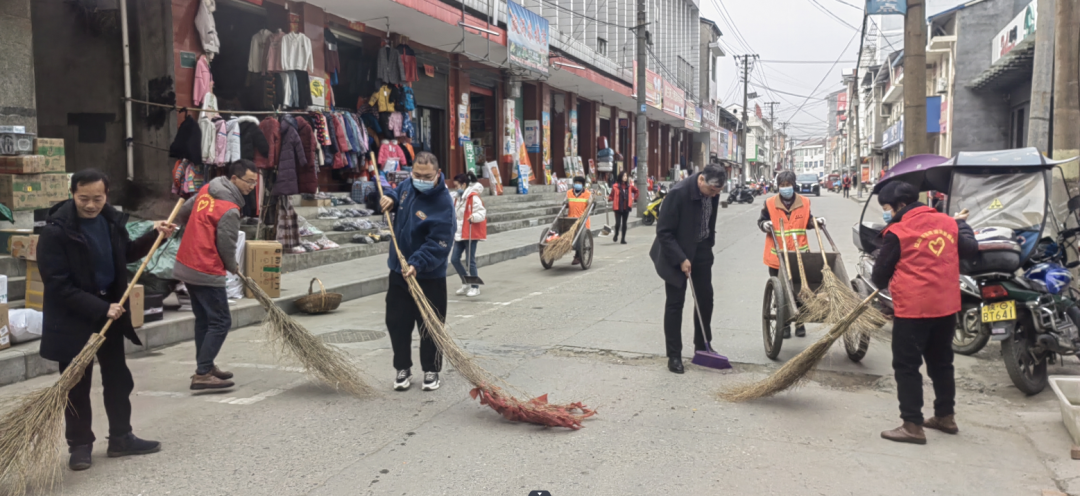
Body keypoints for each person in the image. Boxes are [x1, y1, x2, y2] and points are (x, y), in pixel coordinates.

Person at [38, 169, 177, 471]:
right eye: (83, 198)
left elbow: (124, 253)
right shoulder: (56, 231)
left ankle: (121, 437)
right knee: (76, 386)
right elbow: (57, 284)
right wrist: (101, 308)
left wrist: (156, 234)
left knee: (117, 378)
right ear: (72, 193)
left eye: (97, 198)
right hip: (75, 317)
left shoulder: (110, 221)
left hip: (110, 313)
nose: (90, 205)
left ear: (107, 195)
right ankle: (80, 446)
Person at [871, 181, 977, 445]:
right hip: (946, 307)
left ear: (901, 206)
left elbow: (879, 275)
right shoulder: (948, 224)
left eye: (887, 208)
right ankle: (945, 416)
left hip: (913, 309)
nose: (887, 213)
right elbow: (970, 250)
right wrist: (962, 224)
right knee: (941, 362)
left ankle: (912, 425)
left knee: (907, 366)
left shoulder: (898, 230)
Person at [175, 160, 258, 390]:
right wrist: (233, 266)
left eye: (255, 182)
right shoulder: (229, 209)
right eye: (249, 181)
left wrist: (189, 229)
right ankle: (202, 373)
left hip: (187, 262)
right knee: (221, 321)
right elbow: (226, 244)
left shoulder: (206, 189)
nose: (252, 186)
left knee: (204, 319)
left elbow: (184, 211)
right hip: (205, 267)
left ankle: (206, 365)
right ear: (234, 179)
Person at [379, 151, 455, 392]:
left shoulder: (443, 202)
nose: (421, 179)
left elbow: (440, 241)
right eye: (417, 174)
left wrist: (418, 262)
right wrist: (390, 198)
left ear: (438, 174)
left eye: (427, 176)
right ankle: (402, 367)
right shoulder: (406, 185)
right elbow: (395, 193)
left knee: (430, 324)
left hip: (428, 274)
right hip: (398, 270)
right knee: (396, 322)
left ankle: (431, 370)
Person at [650, 164, 725, 374]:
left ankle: (703, 346)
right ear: (701, 180)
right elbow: (664, 232)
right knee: (675, 303)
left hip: (701, 250)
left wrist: (707, 246)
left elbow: (709, 220)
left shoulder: (713, 192)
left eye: (718, 191)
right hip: (675, 252)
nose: (714, 194)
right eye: (712, 190)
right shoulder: (678, 194)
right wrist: (681, 258)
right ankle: (674, 355)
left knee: (705, 298)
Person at [757, 170, 824, 338]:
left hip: (799, 256)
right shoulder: (770, 203)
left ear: (794, 185)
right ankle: (785, 324)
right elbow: (761, 221)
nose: (785, 188)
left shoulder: (805, 202)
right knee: (782, 292)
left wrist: (816, 222)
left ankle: (800, 323)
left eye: (788, 185)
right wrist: (764, 224)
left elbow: (807, 221)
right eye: (782, 186)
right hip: (777, 256)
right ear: (778, 186)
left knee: (800, 291)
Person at [452, 171, 486, 297]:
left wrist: (474, 216)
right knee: (454, 259)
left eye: (457, 186)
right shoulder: (458, 198)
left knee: (469, 260)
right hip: (460, 232)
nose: (455, 189)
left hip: (470, 231)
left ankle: (475, 287)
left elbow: (482, 212)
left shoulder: (473, 197)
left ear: (463, 184)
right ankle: (465, 281)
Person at [566, 176, 592, 265]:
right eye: (576, 183)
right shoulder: (569, 193)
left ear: (582, 185)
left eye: (579, 183)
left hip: (582, 220)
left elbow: (591, 206)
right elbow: (565, 203)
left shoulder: (588, 194)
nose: (577, 184)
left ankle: (578, 256)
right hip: (571, 220)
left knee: (579, 238)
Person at [607, 171, 638, 244]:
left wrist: (634, 198)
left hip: (626, 207)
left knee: (624, 223)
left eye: (626, 176)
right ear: (620, 177)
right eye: (624, 176)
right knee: (617, 223)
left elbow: (637, 191)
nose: (625, 177)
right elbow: (612, 195)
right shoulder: (615, 186)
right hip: (618, 207)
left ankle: (623, 239)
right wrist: (608, 198)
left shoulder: (629, 186)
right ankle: (616, 234)